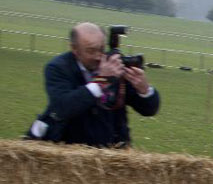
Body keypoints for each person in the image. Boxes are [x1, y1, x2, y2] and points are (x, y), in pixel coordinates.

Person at [26, 22, 160, 147]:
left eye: (101, 49)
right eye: (91, 51)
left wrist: (144, 90)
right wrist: (102, 80)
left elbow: (148, 110)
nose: (98, 56)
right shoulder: (58, 68)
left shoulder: (114, 65)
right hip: (69, 148)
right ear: (74, 49)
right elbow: (62, 107)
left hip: (112, 151)